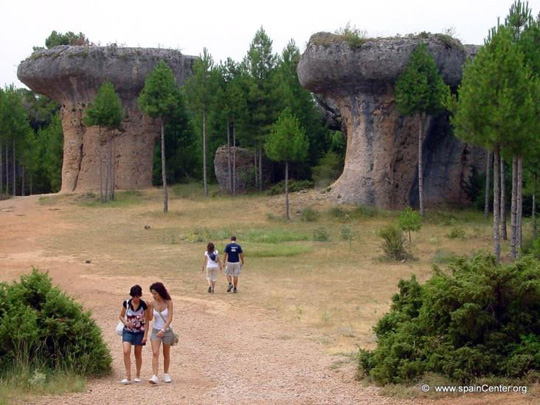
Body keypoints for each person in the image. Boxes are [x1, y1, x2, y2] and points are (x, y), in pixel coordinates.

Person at [119, 285, 150, 385]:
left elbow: (147, 320)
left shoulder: (143, 305)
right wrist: (126, 323)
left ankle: (137, 374)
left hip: (139, 331)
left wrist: (145, 335)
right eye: (134, 296)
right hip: (128, 330)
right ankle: (128, 376)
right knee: (126, 351)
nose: (136, 299)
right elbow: (121, 315)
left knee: (137, 353)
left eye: (137, 296)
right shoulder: (126, 303)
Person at [148, 282, 175, 384]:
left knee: (166, 353)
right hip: (155, 330)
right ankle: (154, 375)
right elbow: (150, 318)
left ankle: (166, 373)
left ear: (160, 292)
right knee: (155, 352)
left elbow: (170, 318)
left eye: (155, 293)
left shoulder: (168, 302)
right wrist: (150, 308)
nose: (154, 295)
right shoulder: (153, 302)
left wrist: (163, 329)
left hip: (166, 330)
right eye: (152, 293)